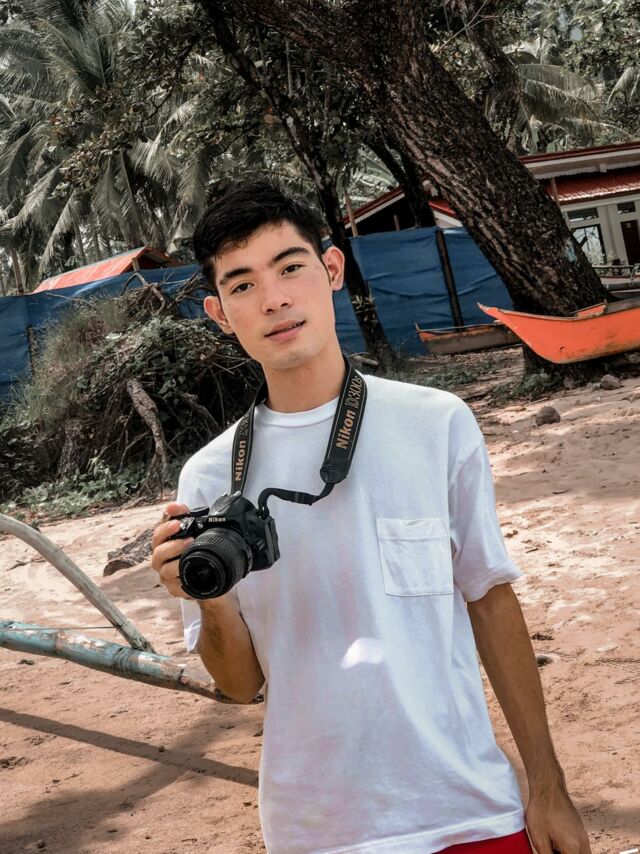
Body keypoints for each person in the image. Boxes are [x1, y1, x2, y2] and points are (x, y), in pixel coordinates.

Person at [150, 178, 591, 854]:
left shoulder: (435, 423)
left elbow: (490, 601)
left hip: (469, 810)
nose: (273, 299)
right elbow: (239, 685)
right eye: (242, 285)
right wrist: (205, 597)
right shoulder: (211, 477)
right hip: (317, 831)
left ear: (331, 269)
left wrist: (548, 784)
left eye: (289, 267)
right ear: (220, 313)